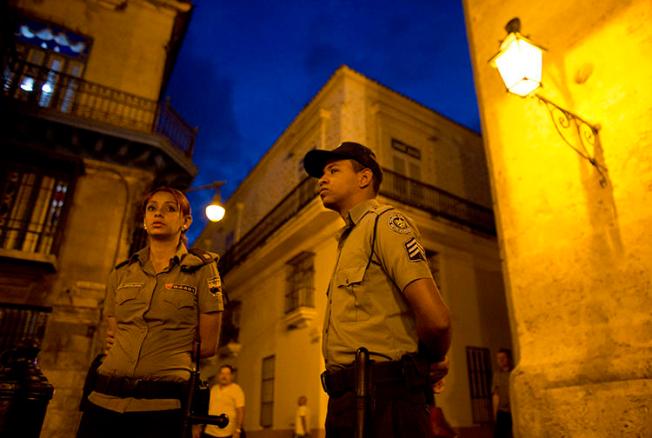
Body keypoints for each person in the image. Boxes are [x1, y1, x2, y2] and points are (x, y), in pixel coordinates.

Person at [303, 141, 452, 438]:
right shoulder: (349, 239)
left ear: (364, 178)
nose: (322, 179)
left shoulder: (385, 224)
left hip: (384, 402)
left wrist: (429, 361)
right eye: (322, 173)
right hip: (346, 401)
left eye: (333, 170)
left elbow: (437, 320)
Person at [77, 187, 224, 438]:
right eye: (152, 208)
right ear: (144, 219)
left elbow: (207, 345)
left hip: (161, 408)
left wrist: (163, 346)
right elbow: (113, 336)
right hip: (102, 401)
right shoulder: (121, 272)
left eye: (170, 209)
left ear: (186, 222)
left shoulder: (202, 270)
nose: (158, 214)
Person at [199, 364, 245, 438]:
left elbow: (240, 412)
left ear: (232, 376)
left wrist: (238, 430)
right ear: (218, 375)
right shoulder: (214, 389)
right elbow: (206, 409)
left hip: (227, 433)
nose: (224, 376)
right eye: (222, 373)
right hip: (209, 432)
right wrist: (199, 426)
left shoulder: (237, 390)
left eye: (227, 374)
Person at [492, 349, 513, 438]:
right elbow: (496, 394)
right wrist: (495, 414)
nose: (500, 360)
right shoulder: (497, 375)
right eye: (498, 358)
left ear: (508, 358)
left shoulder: (514, 373)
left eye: (503, 357)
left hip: (513, 411)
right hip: (502, 412)